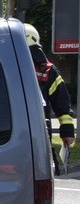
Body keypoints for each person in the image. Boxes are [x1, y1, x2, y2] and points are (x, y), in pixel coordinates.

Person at [26, 23, 74, 173]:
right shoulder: (47, 70)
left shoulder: (5, 63)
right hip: (40, 131)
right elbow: (62, 104)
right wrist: (67, 133)